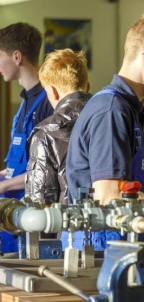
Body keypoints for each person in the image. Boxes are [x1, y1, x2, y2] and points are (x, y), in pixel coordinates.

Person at [66, 11, 144, 250]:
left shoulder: (127, 109)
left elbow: (122, 188)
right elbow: (108, 198)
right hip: (101, 253)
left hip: (122, 246)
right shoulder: (112, 111)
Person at [0, 22, 54, 253]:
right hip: (13, 210)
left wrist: (3, 186)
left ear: (17, 56)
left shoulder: (48, 104)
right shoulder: (24, 103)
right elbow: (16, 165)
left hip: (34, 214)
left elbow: (48, 169)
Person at [25, 49, 91, 205]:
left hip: (68, 227)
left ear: (53, 92)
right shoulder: (107, 119)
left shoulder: (46, 133)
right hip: (111, 224)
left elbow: (39, 205)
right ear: (87, 86)